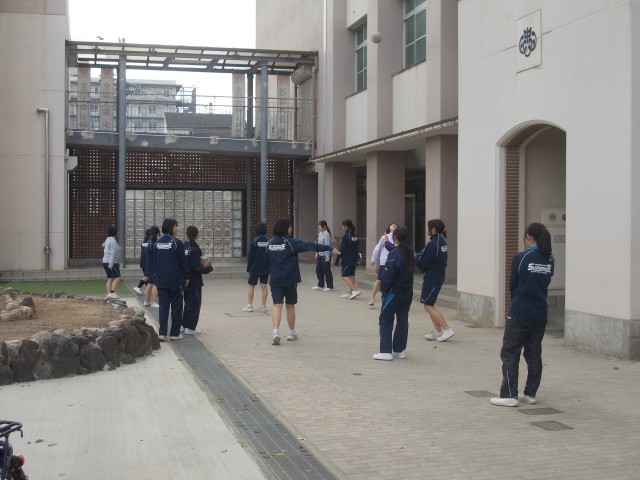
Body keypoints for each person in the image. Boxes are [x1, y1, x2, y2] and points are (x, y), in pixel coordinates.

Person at [490, 222, 554, 407]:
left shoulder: (521, 257)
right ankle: (530, 394)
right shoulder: (550, 260)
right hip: (540, 313)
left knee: (510, 352)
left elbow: (513, 284)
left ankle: (509, 395)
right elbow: (545, 283)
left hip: (520, 312)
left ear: (528, 237)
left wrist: (516, 303)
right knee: (534, 353)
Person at [267, 218, 340, 345]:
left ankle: (275, 332)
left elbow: (266, 261)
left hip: (275, 279)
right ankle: (291, 333)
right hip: (290, 279)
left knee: (277, 305)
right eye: (289, 226)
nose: (291, 229)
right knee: (290, 305)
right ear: (285, 228)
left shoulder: (270, 244)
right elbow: (310, 245)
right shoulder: (291, 243)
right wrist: (329, 248)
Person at [373, 226, 414, 361]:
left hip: (394, 292)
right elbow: (396, 249)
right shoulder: (409, 252)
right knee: (402, 319)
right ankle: (399, 350)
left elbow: (388, 275)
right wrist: (386, 243)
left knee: (385, 318)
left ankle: (385, 351)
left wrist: (384, 289)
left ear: (395, 237)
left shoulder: (394, 254)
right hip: (407, 292)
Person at [415, 219, 454, 342]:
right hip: (437, 276)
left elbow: (424, 262)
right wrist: (417, 256)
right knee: (430, 304)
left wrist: (415, 258)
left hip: (433, 277)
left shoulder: (433, 243)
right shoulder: (440, 241)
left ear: (433, 229)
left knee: (427, 305)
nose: (426, 229)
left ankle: (447, 329)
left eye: (428, 227)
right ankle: (437, 331)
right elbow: (424, 255)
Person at [153, 218, 189, 342]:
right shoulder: (176, 242)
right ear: (171, 228)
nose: (176, 228)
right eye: (175, 226)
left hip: (161, 281)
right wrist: (186, 277)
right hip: (175, 280)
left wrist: (156, 277)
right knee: (176, 307)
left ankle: (162, 333)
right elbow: (183, 262)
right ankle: (174, 334)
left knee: (163, 307)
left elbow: (154, 262)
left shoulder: (157, 243)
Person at [183, 226, 214, 334]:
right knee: (195, 305)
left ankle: (184, 324)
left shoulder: (184, 246)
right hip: (194, 281)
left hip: (185, 279)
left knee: (187, 303)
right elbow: (196, 267)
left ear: (186, 234)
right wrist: (209, 268)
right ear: (197, 235)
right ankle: (190, 328)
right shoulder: (194, 249)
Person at [369, 223, 398, 307]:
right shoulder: (385, 237)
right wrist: (373, 259)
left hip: (393, 263)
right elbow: (377, 248)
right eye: (393, 225)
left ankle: (386, 298)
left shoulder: (398, 238)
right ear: (389, 228)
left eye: (396, 226)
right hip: (384, 262)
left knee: (391, 281)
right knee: (379, 281)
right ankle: (372, 298)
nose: (395, 227)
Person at [243, 223, 270, 312]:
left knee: (251, 285)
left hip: (255, 267)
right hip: (266, 267)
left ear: (256, 231)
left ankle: (249, 305)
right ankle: (263, 306)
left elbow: (250, 255)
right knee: (264, 285)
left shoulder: (254, 241)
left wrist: (249, 267)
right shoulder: (269, 241)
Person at [336, 219, 360, 299]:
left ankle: (355, 290)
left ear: (345, 226)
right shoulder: (355, 236)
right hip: (354, 259)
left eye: (343, 226)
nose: (342, 227)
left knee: (344, 275)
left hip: (347, 259)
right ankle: (350, 292)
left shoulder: (346, 236)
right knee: (351, 275)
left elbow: (342, 249)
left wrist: (337, 259)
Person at [313, 220, 334, 291]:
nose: (319, 226)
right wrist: (317, 253)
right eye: (318, 225)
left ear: (324, 226)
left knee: (326, 271)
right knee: (318, 270)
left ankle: (330, 286)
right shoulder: (320, 234)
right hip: (320, 254)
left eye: (320, 225)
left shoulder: (327, 235)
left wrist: (327, 257)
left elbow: (327, 246)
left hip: (325, 255)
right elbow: (318, 245)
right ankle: (320, 285)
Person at [101, 225, 121, 299]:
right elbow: (113, 253)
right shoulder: (113, 242)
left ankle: (109, 294)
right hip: (111, 262)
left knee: (110, 278)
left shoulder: (107, 239)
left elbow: (103, 245)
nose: (118, 233)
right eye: (117, 231)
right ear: (114, 232)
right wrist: (111, 264)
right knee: (118, 277)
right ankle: (113, 292)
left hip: (105, 261)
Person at [143, 226, 160, 308]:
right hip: (153, 266)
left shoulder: (148, 241)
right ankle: (154, 302)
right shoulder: (154, 242)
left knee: (150, 283)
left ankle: (146, 301)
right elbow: (156, 255)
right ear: (157, 233)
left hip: (148, 265)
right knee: (155, 284)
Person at [134, 229, 152, 295]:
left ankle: (147, 290)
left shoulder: (144, 242)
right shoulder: (150, 242)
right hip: (148, 261)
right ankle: (138, 287)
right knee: (147, 276)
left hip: (143, 261)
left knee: (146, 275)